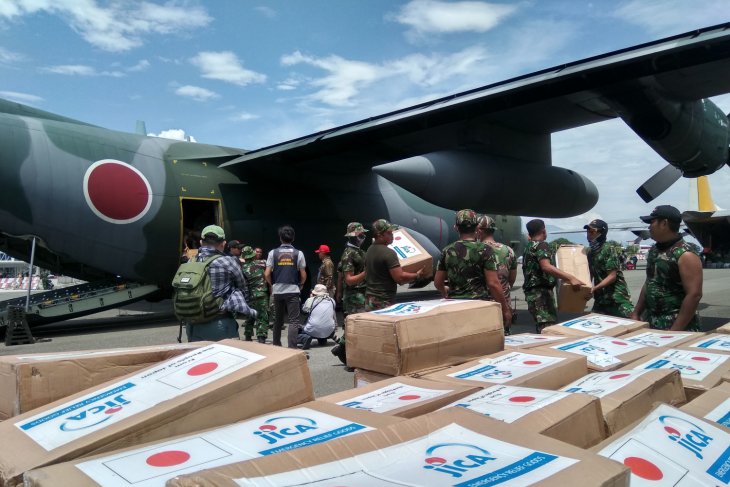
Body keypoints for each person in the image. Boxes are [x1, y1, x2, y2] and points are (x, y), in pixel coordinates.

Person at [630, 205, 702, 331]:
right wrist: (636, 312)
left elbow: (694, 294)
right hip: (652, 322)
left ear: (664, 223)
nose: (649, 227)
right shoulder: (654, 250)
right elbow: (649, 282)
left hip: (676, 325)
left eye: (652, 222)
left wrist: (674, 332)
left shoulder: (686, 254)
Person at [185, 225, 257, 341]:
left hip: (192, 324)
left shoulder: (190, 261)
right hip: (219, 323)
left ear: (200, 242)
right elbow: (243, 288)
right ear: (223, 244)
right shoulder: (227, 261)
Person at [522, 219, 584, 332]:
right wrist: (571, 278)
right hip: (541, 295)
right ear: (543, 231)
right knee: (548, 329)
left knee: (542, 328)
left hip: (533, 294)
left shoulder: (529, 247)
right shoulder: (541, 245)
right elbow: (546, 266)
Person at [364, 219, 424, 311]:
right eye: (389, 233)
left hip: (369, 301)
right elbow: (399, 278)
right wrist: (417, 275)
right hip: (383, 302)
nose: (392, 235)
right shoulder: (389, 253)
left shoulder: (369, 250)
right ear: (380, 235)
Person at [331, 222, 368, 366]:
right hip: (354, 296)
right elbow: (348, 279)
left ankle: (342, 348)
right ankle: (349, 355)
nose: (362, 236)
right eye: (360, 234)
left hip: (361, 293)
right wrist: (367, 272)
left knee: (355, 327)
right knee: (355, 328)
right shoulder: (348, 254)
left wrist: (339, 292)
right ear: (353, 236)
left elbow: (340, 275)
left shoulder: (360, 252)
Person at [264, 225, 307, 348]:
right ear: (293, 238)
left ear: (280, 238)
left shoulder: (273, 253)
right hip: (293, 290)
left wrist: (272, 285)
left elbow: (267, 273)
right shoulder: (299, 253)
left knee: (278, 320)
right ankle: (292, 348)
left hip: (277, 290)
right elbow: (303, 274)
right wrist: (301, 284)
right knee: (294, 320)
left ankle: (276, 345)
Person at [584, 219, 634, 318]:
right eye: (588, 231)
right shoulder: (590, 252)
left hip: (616, 298)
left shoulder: (608, 249)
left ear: (601, 233)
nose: (588, 234)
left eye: (592, 231)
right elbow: (590, 274)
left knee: (629, 324)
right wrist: (586, 289)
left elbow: (612, 276)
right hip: (601, 299)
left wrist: (594, 288)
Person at [476, 214, 517, 331]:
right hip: (503, 303)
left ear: (479, 231)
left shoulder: (476, 250)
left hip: (481, 304)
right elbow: (511, 279)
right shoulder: (508, 250)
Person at [241, 245, 270, 343]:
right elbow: (269, 264)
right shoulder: (260, 263)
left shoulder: (242, 268)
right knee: (262, 315)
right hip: (261, 294)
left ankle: (248, 335)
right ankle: (261, 337)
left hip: (249, 295)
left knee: (250, 315)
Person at [298, 284, 337, 350]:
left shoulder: (311, 300)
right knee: (322, 320)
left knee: (296, 329)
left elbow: (304, 311)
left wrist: (310, 299)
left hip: (313, 329)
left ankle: (305, 338)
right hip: (329, 330)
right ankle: (322, 339)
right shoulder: (332, 300)